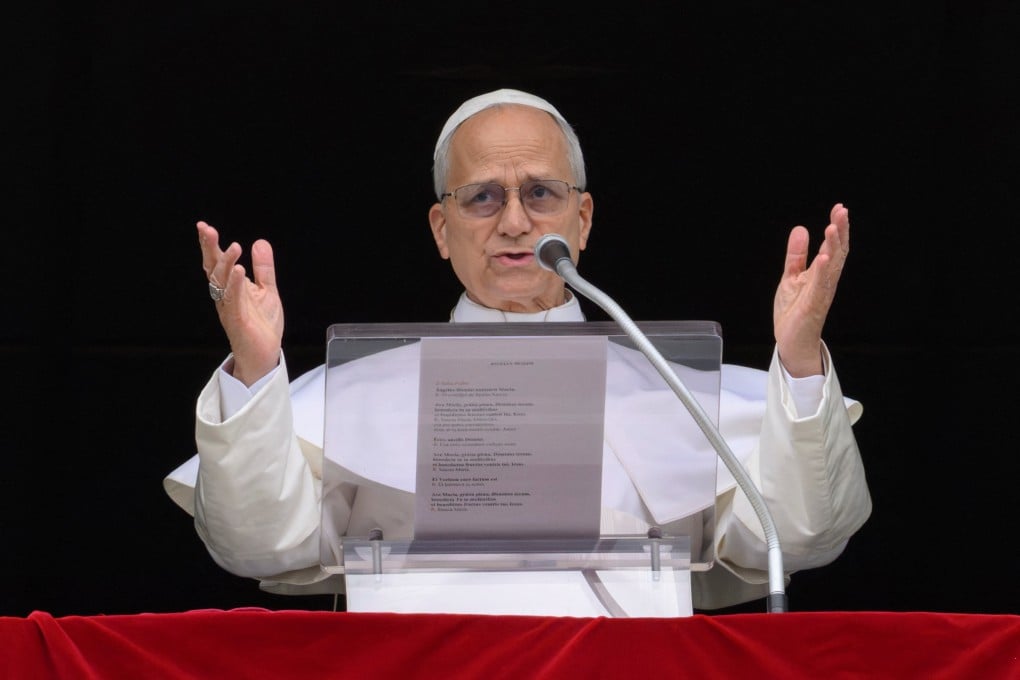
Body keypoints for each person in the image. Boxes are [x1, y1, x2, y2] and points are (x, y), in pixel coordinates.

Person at [164, 88, 871, 610]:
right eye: (481, 198)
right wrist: (257, 372)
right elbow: (257, 547)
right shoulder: (356, 397)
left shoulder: (669, 388)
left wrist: (802, 360)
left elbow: (802, 538)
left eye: (540, 192)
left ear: (582, 218)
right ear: (441, 230)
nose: (513, 221)